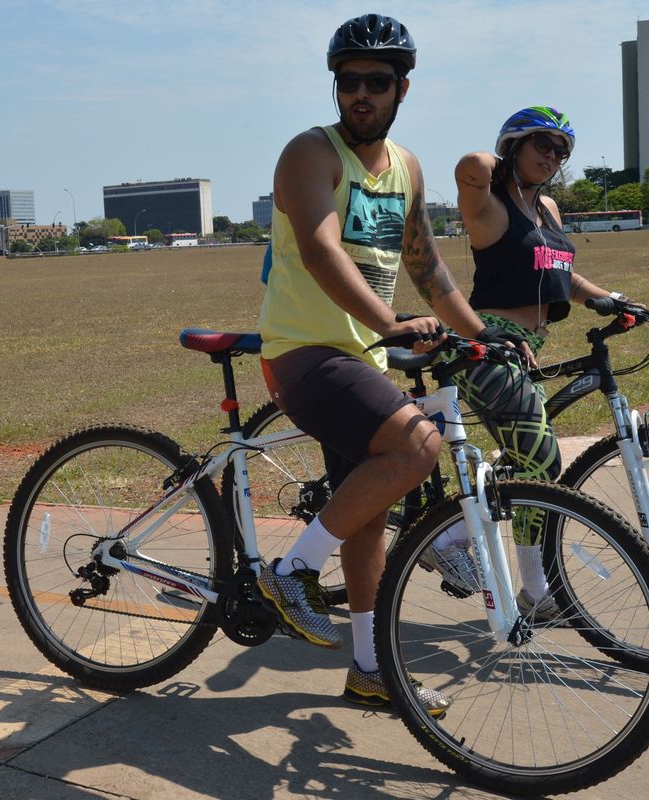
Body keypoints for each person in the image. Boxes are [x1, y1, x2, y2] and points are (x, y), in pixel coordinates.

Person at [255, 14, 513, 716]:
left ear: (402, 87)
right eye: (347, 82)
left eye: (375, 82)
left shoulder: (405, 167)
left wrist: (484, 335)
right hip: (304, 354)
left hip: (362, 359)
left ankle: (371, 671)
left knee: (367, 515)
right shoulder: (310, 153)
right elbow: (318, 249)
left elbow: (428, 270)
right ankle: (293, 570)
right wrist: (390, 324)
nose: (359, 95)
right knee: (417, 444)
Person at [452, 106, 637, 619]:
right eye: (542, 145)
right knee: (542, 463)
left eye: (561, 151)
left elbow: (563, 276)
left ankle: (471, 543)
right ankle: (510, 577)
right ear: (513, 145)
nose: (552, 158)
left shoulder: (549, 209)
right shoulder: (487, 204)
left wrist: (612, 300)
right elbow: (469, 164)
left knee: (526, 460)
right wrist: (507, 159)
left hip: (527, 347)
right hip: (485, 343)